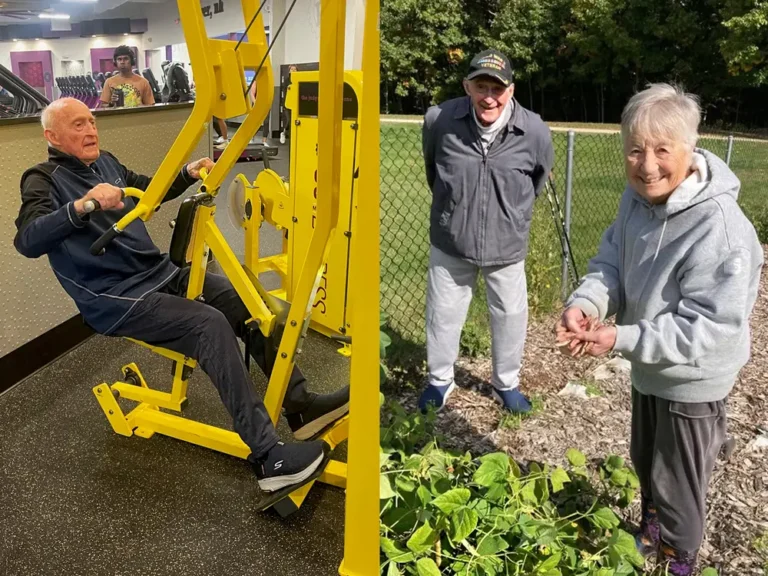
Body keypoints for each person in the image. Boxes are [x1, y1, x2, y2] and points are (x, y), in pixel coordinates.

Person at [13, 98, 350, 493]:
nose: (90, 130)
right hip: (114, 297)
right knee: (209, 324)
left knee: (246, 299)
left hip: (157, 270)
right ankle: (268, 457)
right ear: (52, 136)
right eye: (77, 125)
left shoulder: (106, 161)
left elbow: (149, 188)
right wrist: (84, 205)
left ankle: (300, 403)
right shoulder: (41, 178)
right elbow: (28, 240)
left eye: (91, 121)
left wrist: (187, 173)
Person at [555, 83, 763, 574]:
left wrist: (621, 338)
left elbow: (710, 326)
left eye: (662, 150)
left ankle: (680, 557)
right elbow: (611, 261)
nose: (647, 165)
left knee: (679, 481)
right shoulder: (636, 201)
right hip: (649, 367)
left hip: (693, 378)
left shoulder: (721, 228)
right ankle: (652, 527)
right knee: (646, 458)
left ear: (691, 148)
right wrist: (586, 303)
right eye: (634, 150)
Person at [418, 49, 554, 414]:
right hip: (451, 242)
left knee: (510, 317)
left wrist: (509, 216)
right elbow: (435, 171)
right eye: (481, 86)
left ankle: (506, 384)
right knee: (443, 314)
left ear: (511, 90)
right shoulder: (439, 120)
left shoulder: (534, 129)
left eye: (497, 87)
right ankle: (439, 380)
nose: (489, 96)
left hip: (507, 245)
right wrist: (455, 211)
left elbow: (538, 178)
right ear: (467, 86)